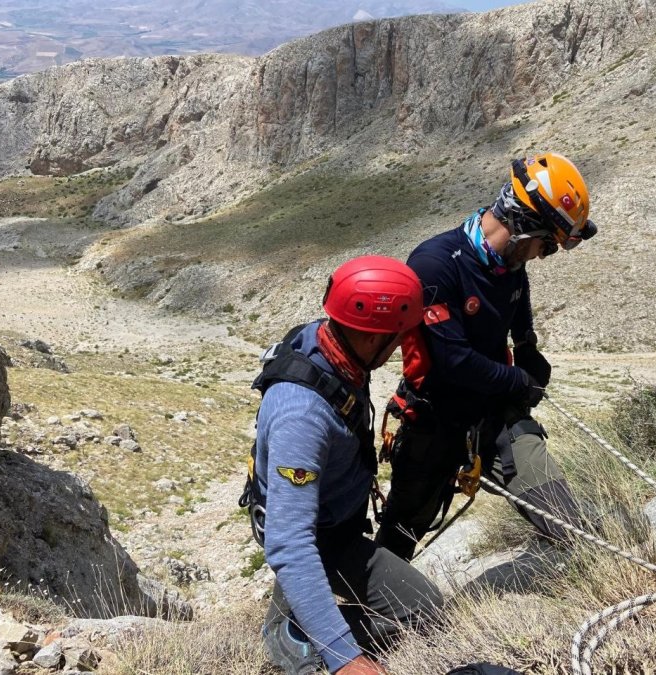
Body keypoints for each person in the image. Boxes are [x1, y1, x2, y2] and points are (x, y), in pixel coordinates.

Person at [375, 152, 598, 561]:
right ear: (522, 227)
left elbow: (518, 298)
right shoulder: (435, 265)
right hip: (435, 422)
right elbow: (452, 360)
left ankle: (592, 558)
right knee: (398, 539)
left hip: (493, 416)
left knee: (564, 517)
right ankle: (366, 615)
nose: (541, 257)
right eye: (545, 247)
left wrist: (527, 345)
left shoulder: (508, 264)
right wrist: (519, 381)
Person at [241, 255, 443, 675]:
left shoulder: (335, 345)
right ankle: (290, 634)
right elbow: (291, 542)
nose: (401, 346)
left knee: (424, 608)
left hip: (337, 528)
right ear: (373, 338)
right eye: (398, 337)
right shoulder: (302, 415)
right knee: (325, 657)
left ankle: (307, 618)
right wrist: (345, 658)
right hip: (316, 538)